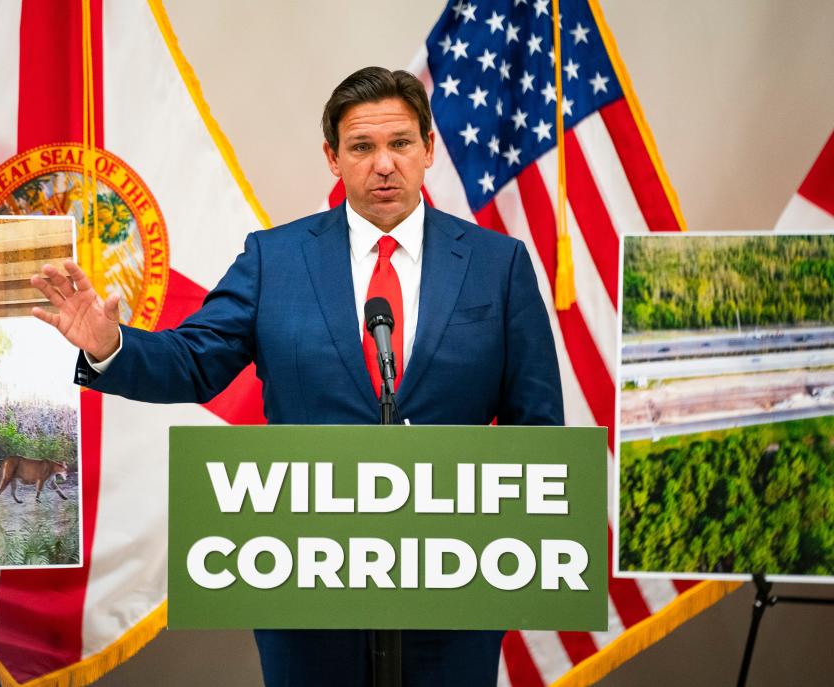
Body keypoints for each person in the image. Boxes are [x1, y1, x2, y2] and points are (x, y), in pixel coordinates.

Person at [32, 66, 563, 687]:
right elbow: (195, 361)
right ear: (333, 159)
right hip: (305, 584)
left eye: (400, 144)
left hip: (453, 587)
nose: (383, 164)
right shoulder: (274, 259)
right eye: (362, 147)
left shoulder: (497, 264)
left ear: (428, 149)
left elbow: (538, 429)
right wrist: (109, 345)